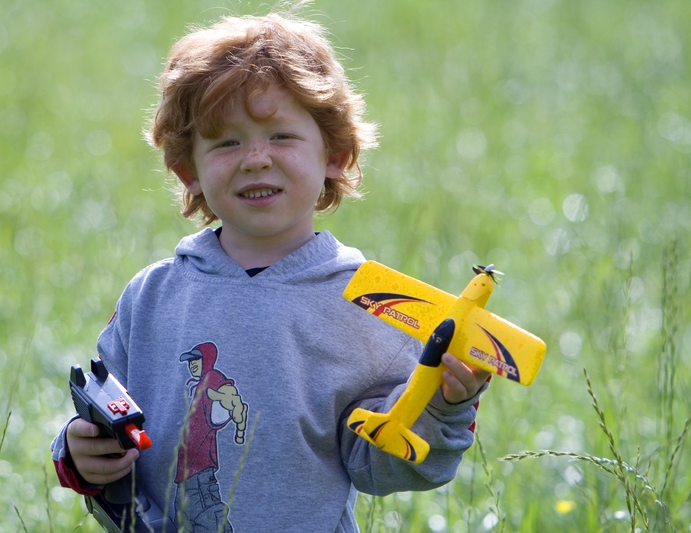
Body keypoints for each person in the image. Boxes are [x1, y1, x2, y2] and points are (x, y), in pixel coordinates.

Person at [52, 10, 490, 533]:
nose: (256, 158)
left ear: (336, 153)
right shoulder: (152, 297)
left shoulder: (368, 304)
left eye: (281, 136)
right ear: (188, 170)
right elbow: (103, 421)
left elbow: (383, 467)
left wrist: (442, 407)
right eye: (226, 142)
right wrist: (80, 452)